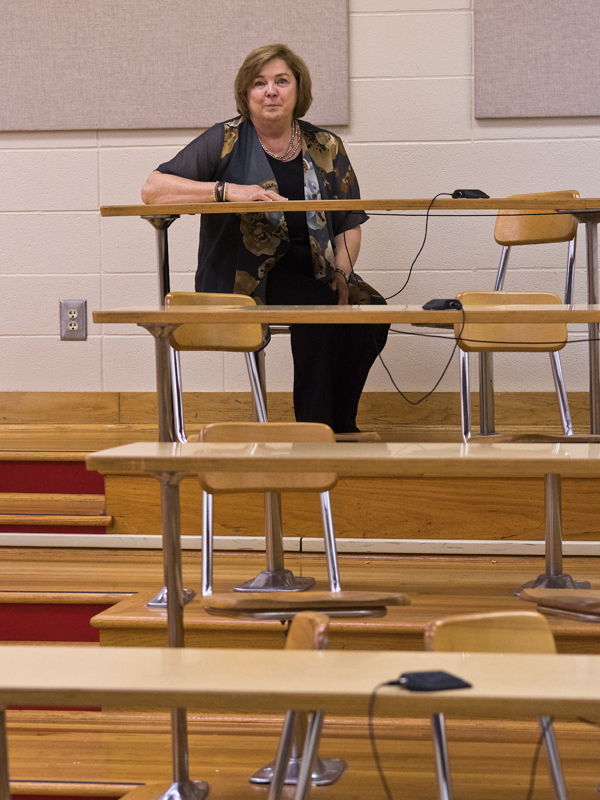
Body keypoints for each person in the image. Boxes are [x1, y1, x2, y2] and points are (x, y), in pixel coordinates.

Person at [142, 43, 388, 440]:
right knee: (318, 304)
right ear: (246, 92)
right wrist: (226, 191)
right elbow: (153, 190)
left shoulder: (325, 146)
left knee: (371, 309)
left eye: (281, 81)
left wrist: (343, 272)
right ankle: (313, 430)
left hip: (316, 270)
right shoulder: (224, 139)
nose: (270, 91)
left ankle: (341, 426)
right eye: (259, 83)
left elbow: (348, 223)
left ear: (298, 90)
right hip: (241, 278)